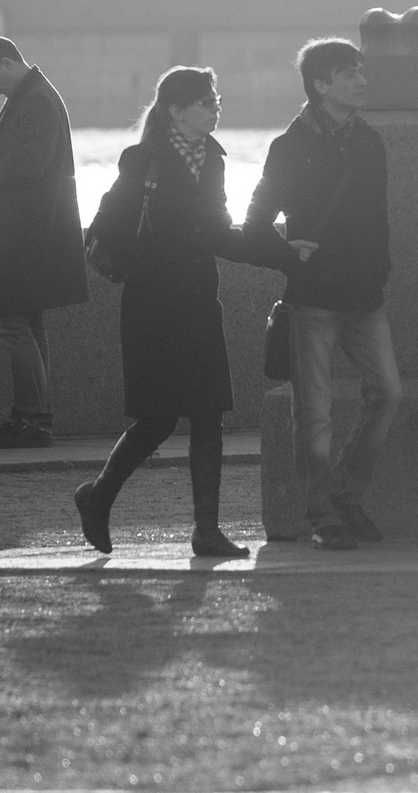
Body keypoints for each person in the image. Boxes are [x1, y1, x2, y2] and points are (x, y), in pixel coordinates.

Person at [71, 67, 256, 559]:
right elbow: (104, 228)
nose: (216, 107)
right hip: (153, 308)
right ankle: (98, 497)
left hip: (199, 305)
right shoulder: (143, 160)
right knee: (156, 420)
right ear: (175, 110)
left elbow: (219, 233)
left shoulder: (212, 160)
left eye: (216, 99)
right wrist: (140, 271)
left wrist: (279, 251)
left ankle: (207, 532)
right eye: (206, 101)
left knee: (208, 415)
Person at [242, 38, 398, 551]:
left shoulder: (368, 141)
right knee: (315, 412)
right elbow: (257, 222)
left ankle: (347, 494)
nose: (361, 81)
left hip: (364, 294)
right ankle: (322, 514)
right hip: (312, 298)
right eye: (348, 74)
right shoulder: (289, 146)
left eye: (361, 71)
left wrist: (379, 270)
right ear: (320, 85)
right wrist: (289, 256)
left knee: (388, 394)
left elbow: (378, 218)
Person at [0, 36, 87, 448]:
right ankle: (33, 417)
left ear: (7, 63)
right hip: (30, 233)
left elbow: (31, 166)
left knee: (14, 326)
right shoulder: (33, 95)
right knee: (29, 324)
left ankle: (33, 419)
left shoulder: (37, 101)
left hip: (21, 237)